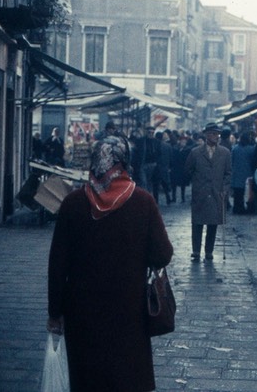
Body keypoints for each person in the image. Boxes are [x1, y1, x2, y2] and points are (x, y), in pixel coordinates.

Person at [46, 135, 173, 392]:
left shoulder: (73, 203)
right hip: (129, 309)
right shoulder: (143, 201)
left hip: (82, 311)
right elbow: (162, 255)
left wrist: (54, 312)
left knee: (87, 378)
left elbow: (58, 263)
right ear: (125, 162)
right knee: (126, 377)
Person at [184, 122, 232, 262]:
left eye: (217, 134)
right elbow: (188, 170)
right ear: (206, 135)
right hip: (200, 192)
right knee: (197, 222)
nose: (215, 136)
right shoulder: (195, 152)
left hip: (217, 192)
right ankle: (196, 251)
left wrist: (224, 189)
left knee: (213, 223)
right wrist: (197, 181)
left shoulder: (225, 153)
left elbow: (228, 174)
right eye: (212, 134)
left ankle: (209, 251)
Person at [231, 131, 255, 214]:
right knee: (247, 193)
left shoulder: (235, 148)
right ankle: (246, 208)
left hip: (236, 174)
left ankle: (237, 208)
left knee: (238, 193)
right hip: (247, 173)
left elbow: (232, 160)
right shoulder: (251, 149)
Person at [170, 135, 193, 203]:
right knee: (174, 184)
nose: (183, 142)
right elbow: (172, 158)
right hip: (175, 168)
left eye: (184, 141)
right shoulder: (175, 148)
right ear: (179, 141)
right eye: (182, 141)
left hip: (183, 169)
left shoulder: (187, 150)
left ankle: (183, 198)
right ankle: (174, 197)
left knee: (183, 184)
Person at [137, 126, 160, 193]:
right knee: (143, 182)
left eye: (152, 133)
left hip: (152, 164)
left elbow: (159, 153)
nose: (150, 134)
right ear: (146, 132)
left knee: (150, 181)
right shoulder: (141, 141)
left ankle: (149, 197)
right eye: (149, 132)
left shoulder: (156, 142)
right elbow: (138, 152)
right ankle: (145, 197)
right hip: (143, 164)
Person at [153, 131, 173, 205]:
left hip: (156, 168)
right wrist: (170, 167)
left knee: (155, 186)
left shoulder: (154, 145)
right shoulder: (168, 146)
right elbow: (171, 157)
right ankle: (168, 199)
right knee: (165, 184)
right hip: (165, 168)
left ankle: (156, 201)